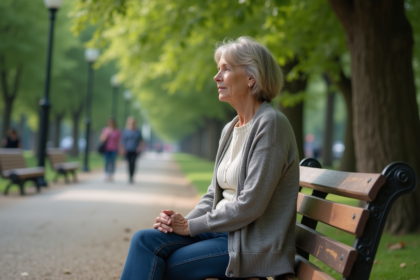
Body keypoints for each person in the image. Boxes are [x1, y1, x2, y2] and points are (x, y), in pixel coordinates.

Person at [121, 37, 299, 280]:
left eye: (226, 69)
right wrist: (181, 223)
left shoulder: (271, 125)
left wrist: (191, 227)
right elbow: (211, 196)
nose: (217, 77)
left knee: (162, 264)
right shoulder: (230, 129)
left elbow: (251, 204)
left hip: (248, 244)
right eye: (218, 69)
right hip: (222, 233)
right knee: (143, 240)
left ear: (251, 78)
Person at [121, 116, 144, 183]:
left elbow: (141, 141)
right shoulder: (126, 131)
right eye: (131, 122)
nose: (132, 124)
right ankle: (129, 176)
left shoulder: (138, 131)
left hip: (135, 150)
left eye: (133, 122)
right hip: (127, 150)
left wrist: (139, 148)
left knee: (133, 163)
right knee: (129, 164)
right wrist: (123, 149)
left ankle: (132, 177)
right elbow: (123, 141)